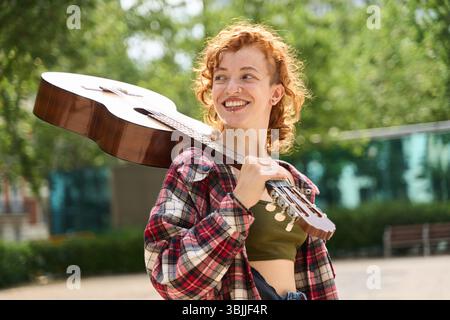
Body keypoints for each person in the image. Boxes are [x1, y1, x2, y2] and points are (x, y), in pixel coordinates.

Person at [144, 21, 338, 300]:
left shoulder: (296, 183)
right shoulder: (193, 168)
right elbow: (169, 277)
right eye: (221, 78)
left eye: (247, 76)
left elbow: (321, 283)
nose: (231, 88)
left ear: (275, 93)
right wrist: (238, 204)